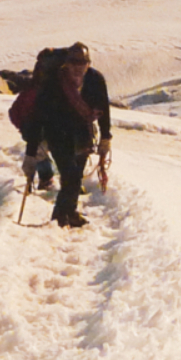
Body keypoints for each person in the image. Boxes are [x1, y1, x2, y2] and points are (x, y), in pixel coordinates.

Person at [15, 42, 111, 227]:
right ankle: (58, 219)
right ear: (66, 64)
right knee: (70, 176)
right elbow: (38, 117)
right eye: (74, 63)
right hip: (57, 133)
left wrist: (106, 137)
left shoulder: (95, 79)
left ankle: (70, 213)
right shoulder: (53, 83)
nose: (78, 67)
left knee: (76, 175)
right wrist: (31, 152)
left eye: (82, 63)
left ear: (88, 64)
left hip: (83, 132)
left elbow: (103, 109)